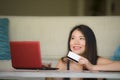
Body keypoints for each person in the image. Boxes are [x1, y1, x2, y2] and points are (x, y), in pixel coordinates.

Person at [56, 24, 120, 80]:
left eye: (81, 38)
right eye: (72, 38)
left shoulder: (98, 61)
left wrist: (92, 67)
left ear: (90, 42)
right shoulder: (63, 62)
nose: (76, 42)